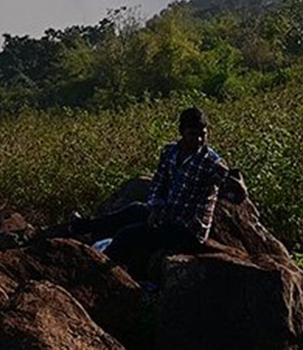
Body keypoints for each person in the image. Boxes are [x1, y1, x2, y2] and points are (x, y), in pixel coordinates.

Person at [68, 106, 248, 281]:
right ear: (182, 132)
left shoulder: (212, 164)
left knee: (128, 234)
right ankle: (80, 227)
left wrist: (239, 188)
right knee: (134, 210)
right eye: (194, 134)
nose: (200, 140)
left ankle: (92, 272)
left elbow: (236, 197)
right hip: (166, 216)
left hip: (187, 230)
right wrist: (156, 208)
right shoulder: (170, 152)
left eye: (203, 134)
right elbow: (158, 184)